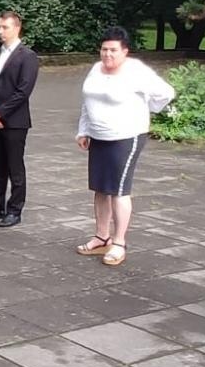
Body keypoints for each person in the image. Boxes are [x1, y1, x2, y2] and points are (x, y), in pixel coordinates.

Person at [74, 26, 176, 267]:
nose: (107, 55)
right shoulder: (95, 70)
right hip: (98, 136)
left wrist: (143, 110)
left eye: (113, 51)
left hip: (126, 136)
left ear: (125, 52)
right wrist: (83, 129)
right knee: (101, 188)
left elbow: (166, 93)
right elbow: (87, 102)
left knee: (119, 190)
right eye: (104, 49)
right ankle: (101, 236)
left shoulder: (136, 72)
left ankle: (119, 242)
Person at [0, 10, 40, 228]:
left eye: (5, 27)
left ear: (17, 28)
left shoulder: (28, 56)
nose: (0, 31)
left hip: (15, 121)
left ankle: (15, 209)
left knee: (15, 166)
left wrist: (0, 113)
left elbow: (23, 91)